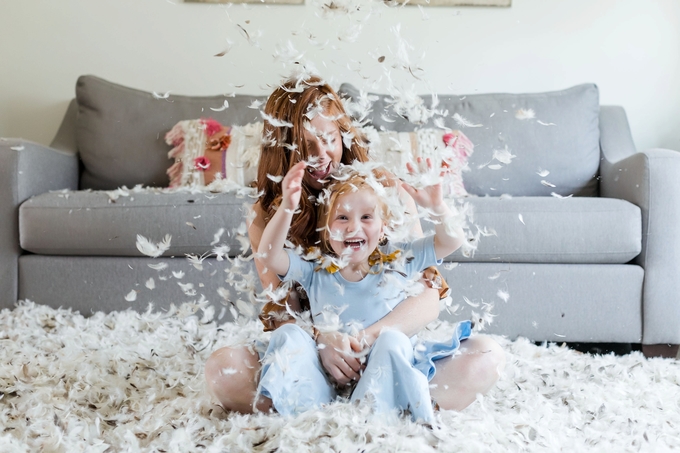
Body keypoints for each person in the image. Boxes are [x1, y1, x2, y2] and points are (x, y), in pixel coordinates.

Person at [205, 75, 505, 415]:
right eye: (305, 148)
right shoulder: (267, 216)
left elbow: (427, 294)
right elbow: (281, 307)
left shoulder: (383, 189)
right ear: (282, 150)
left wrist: (368, 339)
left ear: (343, 134)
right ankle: (324, 402)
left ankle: (382, 396)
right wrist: (324, 340)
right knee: (223, 370)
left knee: (486, 356)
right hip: (311, 362)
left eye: (329, 139)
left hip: (385, 352)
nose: (321, 157)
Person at [256, 161, 475, 422]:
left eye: (366, 217)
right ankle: (303, 417)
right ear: (326, 231)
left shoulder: (398, 259)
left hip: (381, 379)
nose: (353, 227)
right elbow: (269, 255)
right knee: (288, 334)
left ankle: (373, 420)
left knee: (392, 340)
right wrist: (287, 208)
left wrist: (437, 208)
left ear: (383, 229)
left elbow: (451, 241)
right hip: (326, 378)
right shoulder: (315, 269)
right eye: (342, 217)